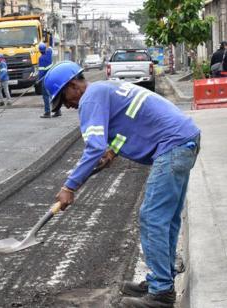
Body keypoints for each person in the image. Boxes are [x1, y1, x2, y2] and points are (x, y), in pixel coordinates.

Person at [45, 61, 200, 308]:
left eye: (63, 99)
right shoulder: (104, 89)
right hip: (183, 139)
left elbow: (94, 147)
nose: (67, 105)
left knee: (152, 216)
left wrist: (70, 186)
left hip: (173, 145)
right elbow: (129, 122)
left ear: (73, 86)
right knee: (167, 217)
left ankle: (161, 292)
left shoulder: (89, 100)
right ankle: (161, 278)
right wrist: (113, 152)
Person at [37, 43, 59, 118]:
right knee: (53, 94)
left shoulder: (41, 58)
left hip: (45, 78)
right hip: (52, 76)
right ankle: (57, 110)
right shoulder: (49, 53)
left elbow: (41, 71)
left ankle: (47, 112)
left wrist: (38, 79)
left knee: (46, 95)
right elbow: (50, 48)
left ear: (39, 50)